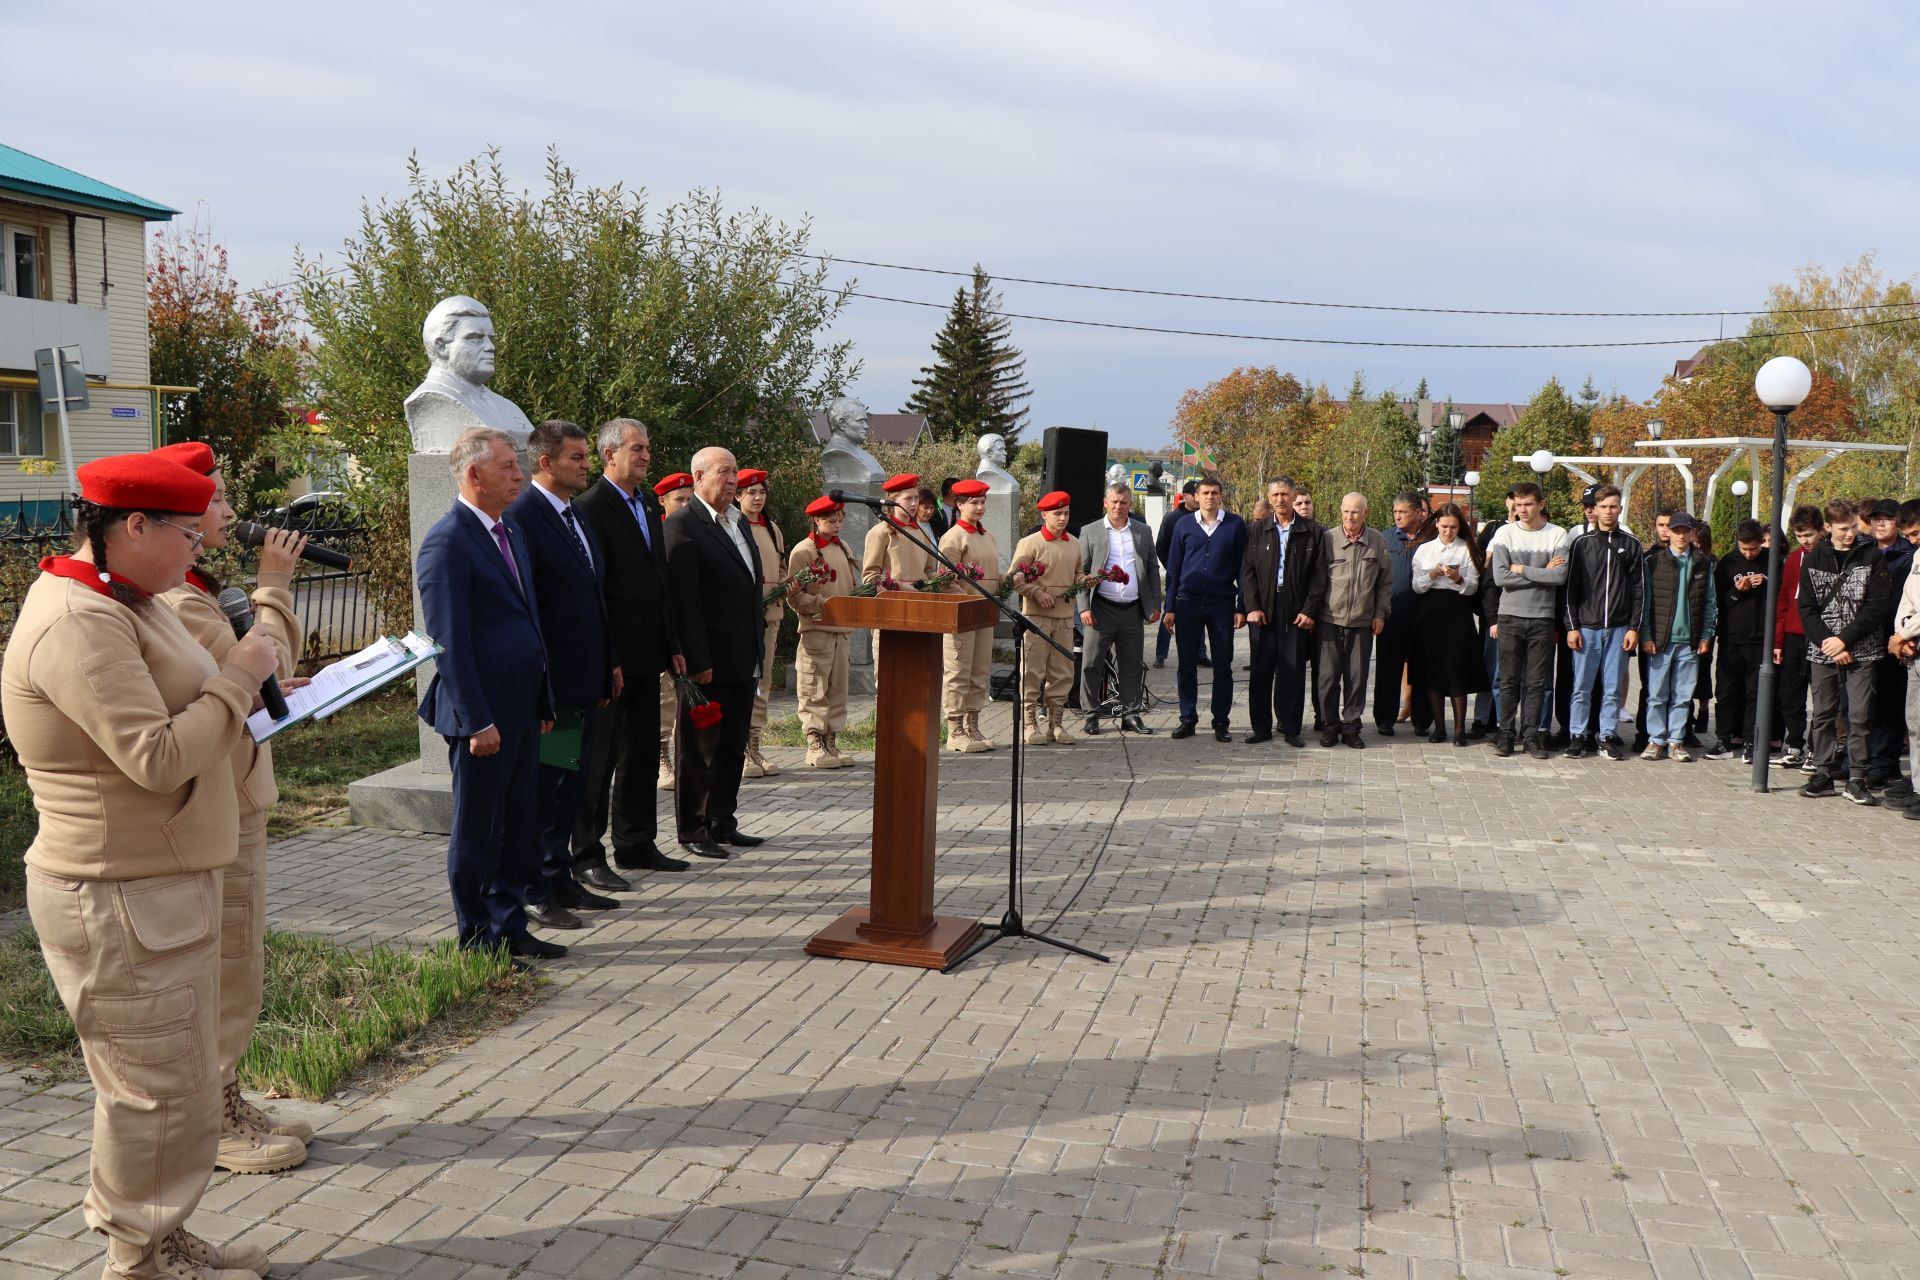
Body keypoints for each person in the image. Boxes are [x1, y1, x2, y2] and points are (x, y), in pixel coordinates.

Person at [3, 452, 286, 1280]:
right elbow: (157, 759)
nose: (199, 546)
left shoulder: (123, 599)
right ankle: (140, 1257)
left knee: (173, 1084)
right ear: (134, 526)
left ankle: (154, 1236)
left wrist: (239, 689)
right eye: (186, 531)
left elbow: (182, 703)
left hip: (154, 886)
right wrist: (236, 683)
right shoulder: (80, 621)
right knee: (154, 1093)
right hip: (118, 894)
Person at [150, 441, 315, 1177]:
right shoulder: (178, 598)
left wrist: (269, 602)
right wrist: (275, 582)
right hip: (213, 796)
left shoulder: (200, 584)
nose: (228, 514)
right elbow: (260, 664)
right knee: (223, 960)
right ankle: (211, 1118)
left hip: (238, 792)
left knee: (239, 957)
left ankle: (227, 1095)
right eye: (214, 503)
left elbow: (276, 652)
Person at [418, 427, 561, 960]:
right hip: (482, 717)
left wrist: (544, 699)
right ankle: (477, 939)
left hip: (523, 709)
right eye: (507, 466)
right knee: (478, 832)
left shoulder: (511, 532)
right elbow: (448, 643)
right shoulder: (447, 541)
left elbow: (530, 621)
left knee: (520, 827)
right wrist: (478, 722)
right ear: (473, 474)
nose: (519, 474)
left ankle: (511, 928)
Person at [506, 420, 621, 932]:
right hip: (553, 685)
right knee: (545, 786)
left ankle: (560, 874)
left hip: (586, 679)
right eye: (576, 457)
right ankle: (533, 889)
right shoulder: (523, 516)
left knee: (570, 784)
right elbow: (530, 609)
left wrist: (609, 662)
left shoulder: (574, 516)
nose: (586, 465)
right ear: (545, 462)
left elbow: (595, 597)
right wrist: (545, 687)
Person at [570, 423, 685, 886]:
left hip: (649, 655)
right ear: (609, 455)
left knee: (640, 752)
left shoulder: (645, 503)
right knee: (599, 760)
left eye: (648, 449)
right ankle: (587, 854)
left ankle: (636, 843)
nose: (646, 456)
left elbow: (660, 582)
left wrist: (673, 645)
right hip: (611, 659)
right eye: (637, 449)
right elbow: (594, 590)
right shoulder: (590, 508)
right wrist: (608, 656)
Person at [665, 447, 766, 856]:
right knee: (699, 749)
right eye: (724, 472)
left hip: (744, 656)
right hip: (707, 662)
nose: (733, 479)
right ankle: (693, 829)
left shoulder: (738, 521)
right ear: (699, 476)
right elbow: (682, 601)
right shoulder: (684, 525)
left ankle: (723, 821)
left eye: (735, 472)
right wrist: (697, 659)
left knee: (732, 744)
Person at [1798, 497, 1891, 804]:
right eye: (1842, 528)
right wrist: (1830, 642)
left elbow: (1877, 606)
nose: (1849, 533)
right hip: (1823, 649)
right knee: (1823, 713)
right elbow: (1807, 608)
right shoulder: (1813, 559)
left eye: (1852, 526)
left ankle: (1857, 778)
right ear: (1828, 527)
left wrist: (1846, 640)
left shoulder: (1872, 555)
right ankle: (1823, 772)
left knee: (1861, 715)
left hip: (1863, 649)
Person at [1486, 482, 1570, 758]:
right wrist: (1540, 572)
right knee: (1508, 680)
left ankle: (1532, 735)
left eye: (1528, 504)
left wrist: (1521, 568)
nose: (1522, 510)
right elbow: (1500, 577)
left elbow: (1558, 577)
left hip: (1542, 619)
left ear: (1540, 504)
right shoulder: (1504, 534)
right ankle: (1506, 734)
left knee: (1536, 682)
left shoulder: (1558, 535)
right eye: (1518, 505)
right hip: (1510, 617)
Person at [1560, 484, 1641, 760]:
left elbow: (1639, 590)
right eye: (1603, 507)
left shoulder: (1631, 544)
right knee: (1581, 686)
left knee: (1612, 686)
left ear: (1620, 508)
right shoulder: (1582, 544)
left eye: (1613, 506)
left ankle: (1606, 735)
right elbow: (1570, 589)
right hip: (1587, 627)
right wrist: (1572, 627)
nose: (1608, 511)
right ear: (1594, 509)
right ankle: (1577, 735)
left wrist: (1634, 627)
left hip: (1619, 629)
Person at [1163, 476, 1248, 741]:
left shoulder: (1235, 525)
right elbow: (1174, 567)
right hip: (1187, 603)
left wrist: (1241, 606)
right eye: (1205, 493)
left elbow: (1244, 570)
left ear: (1221, 496)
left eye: (1214, 492)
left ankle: (1221, 721)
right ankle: (1187, 718)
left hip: (1221, 604)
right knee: (1186, 665)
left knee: (1222, 665)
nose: (1210, 497)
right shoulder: (1184, 525)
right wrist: (1170, 607)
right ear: (1196, 497)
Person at [1239, 475, 1321, 746]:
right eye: (1275, 495)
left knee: (1293, 671)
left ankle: (1290, 728)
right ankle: (1260, 727)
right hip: (1263, 608)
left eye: (1285, 494)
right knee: (1261, 671)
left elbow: (1319, 577)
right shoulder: (1258, 529)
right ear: (1269, 497)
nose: (1280, 499)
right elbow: (1247, 571)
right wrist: (1251, 607)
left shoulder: (1312, 531)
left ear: (1293, 495)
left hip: (1295, 608)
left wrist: (1309, 610)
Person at [1306, 493, 1391, 748]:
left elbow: (1385, 582)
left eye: (1355, 512)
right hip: (1329, 620)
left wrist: (1379, 614)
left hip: (1362, 622)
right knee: (1328, 677)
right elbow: (1316, 580)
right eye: (1346, 512)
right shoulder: (1328, 538)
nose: (1350, 517)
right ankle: (1330, 726)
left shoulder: (1376, 540)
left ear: (1366, 512)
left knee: (1356, 677)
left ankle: (1352, 727)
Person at [1078, 482, 1162, 736]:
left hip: (1132, 610)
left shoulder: (1142, 531)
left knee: (1132, 665)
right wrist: (1083, 607)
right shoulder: (1090, 531)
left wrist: (1154, 604)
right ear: (1105, 502)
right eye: (1113, 501)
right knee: (1092, 664)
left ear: (1130, 505)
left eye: (1123, 502)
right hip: (1100, 608)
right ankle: (1091, 715)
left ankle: (1131, 714)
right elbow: (1081, 572)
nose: (1118, 506)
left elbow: (1151, 568)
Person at [787, 496, 859, 767]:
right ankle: (814, 743)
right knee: (814, 686)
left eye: (840, 519)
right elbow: (793, 598)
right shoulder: (803, 551)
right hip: (816, 630)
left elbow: (850, 587)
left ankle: (831, 740)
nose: (837, 524)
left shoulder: (843, 547)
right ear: (816, 520)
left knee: (838, 688)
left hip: (842, 630)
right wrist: (824, 604)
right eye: (831, 520)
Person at [1639, 511, 1716, 763]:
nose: (1681, 536)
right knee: (1657, 694)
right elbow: (1646, 602)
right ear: (1668, 533)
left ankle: (1676, 741)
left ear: (1693, 533)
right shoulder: (1654, 562)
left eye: (1686, 531)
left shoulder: (1703, 563)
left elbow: (1709, 603)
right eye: (1676, 531)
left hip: (1689, 641)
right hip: (1661, 640)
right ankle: (1655, 740)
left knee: (1682, 696)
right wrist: (1647, 635)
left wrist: (1706, 635)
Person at [1410, 503, 1488, 744]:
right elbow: (1417, 586)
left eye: (1453, 527)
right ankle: (1439, 727)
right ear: (1436, 524)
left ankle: (1460, 730)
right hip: (1430, 612)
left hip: (1457, 612)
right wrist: (1432, 574)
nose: (1448, 531)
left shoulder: (1466, 549)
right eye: (1444, 526)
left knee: (1457, 669)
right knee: (1433, 669)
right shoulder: (1424, 550)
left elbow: (1473, 586)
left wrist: (1458, 578)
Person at [938, 478, 1004, 750]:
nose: (979, 507)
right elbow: (945, 580)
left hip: (983, 614)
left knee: (979, 671)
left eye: (982, 502)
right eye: (973, 503)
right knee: (958, 671)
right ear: (959, 504)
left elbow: (990, 576)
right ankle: (955, 729)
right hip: (962, 615)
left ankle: (972, 724)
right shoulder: (953, 537)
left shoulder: (986, 535)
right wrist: (967, 604)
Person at [1011, 491, 1080, 745]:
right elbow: (1014, 578)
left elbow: (1078, 573)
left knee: (1062, 672)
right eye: (1057, 514)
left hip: (1063, 618)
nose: (1063, 518)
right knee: (1032, 671)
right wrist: (1036, 592)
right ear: (1044, 515)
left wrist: (1086, 580)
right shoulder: (1030, 543)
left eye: (1066, 513)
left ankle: (1056, 723)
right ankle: (1030, 722)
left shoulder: (1073, 542)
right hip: (1036, 618)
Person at [734, 468, 788, 778]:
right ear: (738, 495)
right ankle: (740, 747)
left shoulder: (772, 528)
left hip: (771, 613)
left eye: (761, 492)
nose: (757, 498)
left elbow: (780, 567)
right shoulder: (733, 526)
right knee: (745, 679)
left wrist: (785, 584)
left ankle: (755, 744)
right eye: (751, 492)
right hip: (743, 617)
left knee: (763, 680)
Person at [1704, 519, 1770, 763]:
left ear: (1761, 543)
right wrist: (1736, 591)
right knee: (1726, 690)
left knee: (1755, 693)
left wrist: (1766, 583)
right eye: (1744, 549)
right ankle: (1723, 739)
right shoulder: (1727, 564)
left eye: (1753, 548)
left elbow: (1782, 596)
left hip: (1760, 637)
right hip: (1731, 637)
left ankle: (1751, 741)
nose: (1748, 553)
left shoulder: (1772, 561)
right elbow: (1718, 601)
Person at [1865, 498, 1913, 791]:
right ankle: (1862, 760)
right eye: (1876, 519)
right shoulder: (1864, 552)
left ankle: (1884, 764)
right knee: (1862, 705)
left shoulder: (1909, 555)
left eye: (1887, 518)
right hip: (1865, 636)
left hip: (1895, 637)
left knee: (1890, 705)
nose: (1880, 523)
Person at [1772, 505, 1824, 771]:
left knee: (1822, 696)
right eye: (1799, 535)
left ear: (1821, 531)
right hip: (1793, 636)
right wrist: (1778, 642)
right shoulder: (1793, 559)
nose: (1805, 540)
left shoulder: (1829, 556)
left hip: (1821, 637)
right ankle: (1794, 745)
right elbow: (1783, 599)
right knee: (1790, 693)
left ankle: (1817, 750)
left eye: (1809, 534)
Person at [652, 471, 696, 790]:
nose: (685, 504)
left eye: (689, 499)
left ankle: (683, 756)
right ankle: (661, 756)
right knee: (664, 697)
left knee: (687, 699)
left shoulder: (697, 533)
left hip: (690, 629)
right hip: (662, 629)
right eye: (679, 499)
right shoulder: (657, 534)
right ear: (663, 501)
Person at [1375, 492, 1430, 737]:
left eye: (1403, 512)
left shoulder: (1432, 537)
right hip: (1391, 616)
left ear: (1418, 513)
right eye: (1395, 512)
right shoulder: (1385, 538)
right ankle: (1384, 720)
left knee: (1422, 670)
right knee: (1388, 670)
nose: (1397, 516)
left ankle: (1422, 720)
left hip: (1424, 617)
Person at [1631, 509, 1677, 753]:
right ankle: (1645, 733)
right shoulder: (1648, 558)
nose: (1665, 529)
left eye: (1670, 525)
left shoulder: (1689, 557)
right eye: (1661, 524)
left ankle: (1679, 733)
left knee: (1678, 687)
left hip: (1678, 634)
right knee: (1650, 687)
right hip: (1653, 633)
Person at [1153, 480, 1201, 669]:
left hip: (1197, 578)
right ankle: (1160, 654)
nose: (1197, 498)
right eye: (1193, 494)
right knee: (1170, 612)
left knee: (1198, 615)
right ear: (1185, 495)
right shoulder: (1173, 518)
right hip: (1177, 577)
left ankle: (1201, 654)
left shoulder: (1204, 517)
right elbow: (1161, 546)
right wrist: (1173, 568)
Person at [1889, 542, 1920, 816]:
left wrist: (1903, 635)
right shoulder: (1918, 556)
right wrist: (1904, 635)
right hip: (1914, 648)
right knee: (1915, 724)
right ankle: (1918, 787)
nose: (1913, 540)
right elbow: (1906, 601)